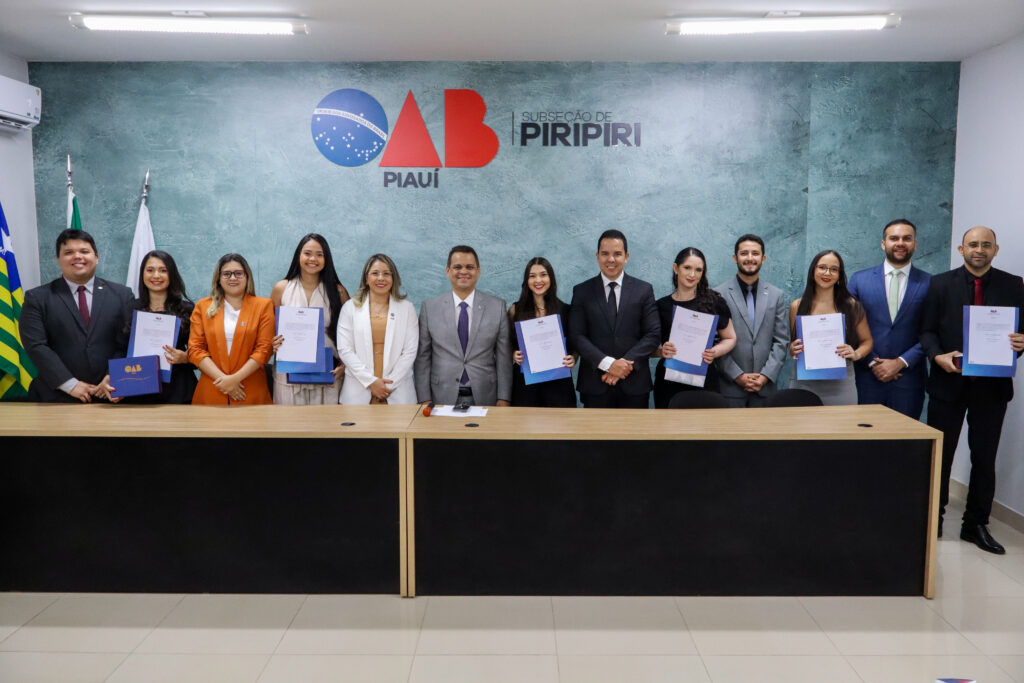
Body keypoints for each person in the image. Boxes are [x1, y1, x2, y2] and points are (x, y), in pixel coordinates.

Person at [921, 226, 1024, 554]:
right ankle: (933, 521)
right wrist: (937, 356)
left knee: (984, 458)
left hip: (992, 388)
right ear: (961, 249)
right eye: (973, 244)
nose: (979, 250)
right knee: (941, 455)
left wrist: (1021, 343)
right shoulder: (939, 284)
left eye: (986, 245)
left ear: (996, 250)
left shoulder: (1014, 285)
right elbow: (926, 330)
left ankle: (975, 524)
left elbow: (1021, 332)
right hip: (947, 383)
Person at [21, 229, 133, 403]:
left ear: (96, 257)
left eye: (84, 251)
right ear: (58, 259)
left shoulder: (122, 295)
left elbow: (127, 343)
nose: (77, 256)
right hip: (56, 397)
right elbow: (36, 345)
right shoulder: (37, 298)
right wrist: (69, 384)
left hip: (110, 394)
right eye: (68, 252)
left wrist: (114, 376)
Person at [847, 219, 931, 419]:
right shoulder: (859, 280)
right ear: (883, 244)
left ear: (915, 244)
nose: (900, 243)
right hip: (866, 377)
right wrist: (873, 362)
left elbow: (933, 330)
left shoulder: (930, 283)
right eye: (894, 238)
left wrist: (901, 362)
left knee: (905, 437)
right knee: (864, 436)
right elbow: (849, 326)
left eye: (906, 239)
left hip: (909, 379)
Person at [569, 229, 660, 408]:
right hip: (595, 384)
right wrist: (609, 364)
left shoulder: (643, 290)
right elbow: (576, 335)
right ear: (597, 256)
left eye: (617, 254)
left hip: (634, 384)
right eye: (605, 254)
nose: (611, 259)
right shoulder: (582, 291)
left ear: (626, 257)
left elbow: (653, 334)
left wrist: (623, 366)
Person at [415, 245, 512, 406]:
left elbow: (504, 357)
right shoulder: (429, 308)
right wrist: (424, 398)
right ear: (448, 271)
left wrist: (504, 397)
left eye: (470, 267)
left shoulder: (498, 307)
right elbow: (423, 358)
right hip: (440, 396)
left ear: (478, 271)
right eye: (457, 267)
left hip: (486, 396)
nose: (464, 271)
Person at [270, 233, 350, 405]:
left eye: (319, 254)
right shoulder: (282, 288)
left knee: (326, 421)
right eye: (307, 253)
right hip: (289, 372)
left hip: (328, 371)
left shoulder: (338, 292)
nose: (313, 259)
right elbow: (269, 329)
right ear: (298, 255)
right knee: (289, 420)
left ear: (326, 259)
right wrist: (272, 342)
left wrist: (345, 365)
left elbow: (350, 334)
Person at [652, 247, 736, 409]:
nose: (692, 274)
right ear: (676, 268)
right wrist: (661, 351)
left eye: (698, 270)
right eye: (687, 268)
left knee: (706, 424)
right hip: (669, 382)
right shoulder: (660, 306)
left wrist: (715, 352)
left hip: (704, 379)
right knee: (668, 424)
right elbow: (648, 347)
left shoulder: (714, 302)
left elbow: (730, 338)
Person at [788, 250, 873, 405]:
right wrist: (793, 349)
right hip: (804, 383)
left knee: (842, 421)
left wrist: (856, 354)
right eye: (822, 267)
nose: (827, 273)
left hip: (841, 385)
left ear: (839, 275)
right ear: (813, 271)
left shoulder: (852, 306)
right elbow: (793, 345)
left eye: (834, 269)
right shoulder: (797, 306)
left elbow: (867, 342)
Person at [188, 253, 275, 405]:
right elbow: (195, 350)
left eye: (238, 273)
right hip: (212, 389)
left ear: (247, 277)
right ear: (219, 278)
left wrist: (234, 379)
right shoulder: (203, 306)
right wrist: (224, 381)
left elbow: (264, 349)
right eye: (227, 274)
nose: (233, 278)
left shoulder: (263, 306)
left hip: (249, 390)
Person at [714, 234, 789, 407]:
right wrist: (737, 375)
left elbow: (781, 341)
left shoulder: (776, 295)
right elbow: (715, 341)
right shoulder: (718, 294)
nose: (749, 258)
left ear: (763, 258)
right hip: (729, 388)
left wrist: (765, 376)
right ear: (735, 258)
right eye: (744, 253)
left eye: (755, 253)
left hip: (765, 389)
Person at [337, 253, 419, 404]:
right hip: (357, 393)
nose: (381, 278)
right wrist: (371, 382)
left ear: (393, 278)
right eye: (375, 273)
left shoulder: (407, 309)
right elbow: (345, 349)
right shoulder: (350, 308)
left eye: (386, 274)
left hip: (397, 393)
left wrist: (388, 386)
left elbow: (410, 351)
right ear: (366, 278)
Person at [129, 250, 197, 404]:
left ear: (171, 275)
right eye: (150, 270)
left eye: (163, 270)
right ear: (142, 274)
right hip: (139, 388)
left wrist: (186, 358)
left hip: (179, 389)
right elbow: (119, 349)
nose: (156, 276)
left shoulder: (188, 310)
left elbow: (203, 351)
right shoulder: (130, 309)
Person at [508, 257, 577, 407]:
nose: (538, 280)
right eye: (532, 276)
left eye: (543, 275)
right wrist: (513, 354)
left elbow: (575, 346)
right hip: (525, 384)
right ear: (526, 281)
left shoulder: (566, 310)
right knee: (524, 421)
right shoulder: (515, 310)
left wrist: (573, 358)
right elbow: (506, 343)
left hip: (558, 384)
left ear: (551, 278)